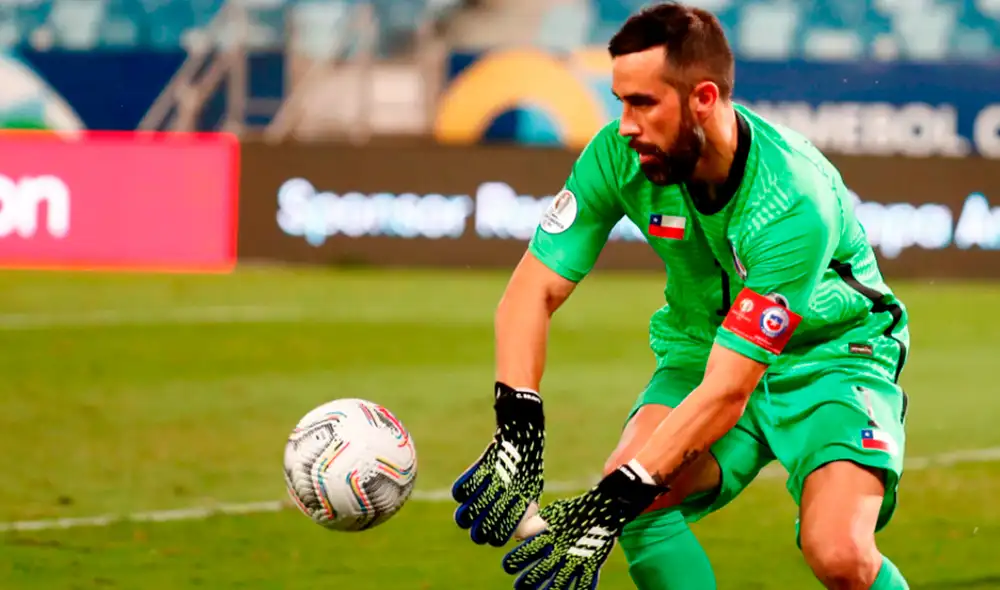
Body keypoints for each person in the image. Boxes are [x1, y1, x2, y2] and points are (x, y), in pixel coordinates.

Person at [450, 2, 911, 589]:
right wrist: (518, 424)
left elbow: (729, 391)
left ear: (704, 99)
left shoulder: (794, 199)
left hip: (832, 357)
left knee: (840, 552)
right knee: (639, 502)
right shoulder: (618, 155)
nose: (624, 124)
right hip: (699, 350)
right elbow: (529, 291)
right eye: (620, 101)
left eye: (643, 103)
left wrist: (615, 497)